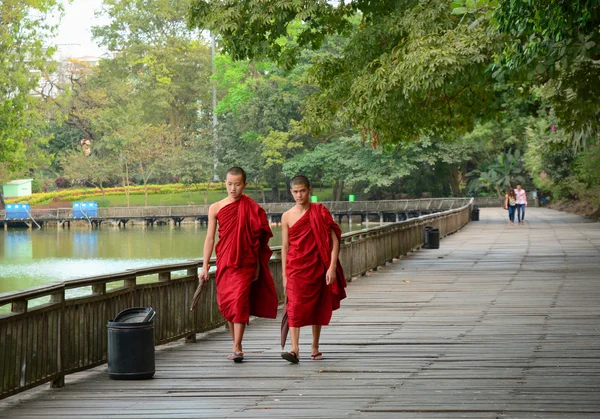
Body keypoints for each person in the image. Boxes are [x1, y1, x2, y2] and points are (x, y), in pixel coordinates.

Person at [198, 167, 278, 363]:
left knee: (240, 301)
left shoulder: (251, 207)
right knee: (227, 302)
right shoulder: (215, 208)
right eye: (229, 184)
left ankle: (237, 347)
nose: (232, 188)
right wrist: (205, 265)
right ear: (225, 183)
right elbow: (209, 238)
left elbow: (260, 239)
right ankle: (236, 344)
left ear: (245, 184)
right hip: (225, 261)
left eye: (237, 184)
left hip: (245, 262)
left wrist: (258, 266)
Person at [280, 175, 347, 363]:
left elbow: (334, 240)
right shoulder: (287, 216)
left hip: (318, 266)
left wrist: (332, 267)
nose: (299, 195)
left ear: (310, 190)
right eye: (295, 192)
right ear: (291, 192)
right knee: (293, 307)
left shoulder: (320, 211)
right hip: (295, 268)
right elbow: (285, 247)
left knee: (317, 306)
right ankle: (294, 349)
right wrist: (284, 274)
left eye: (302, 191)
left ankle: (315, 346)